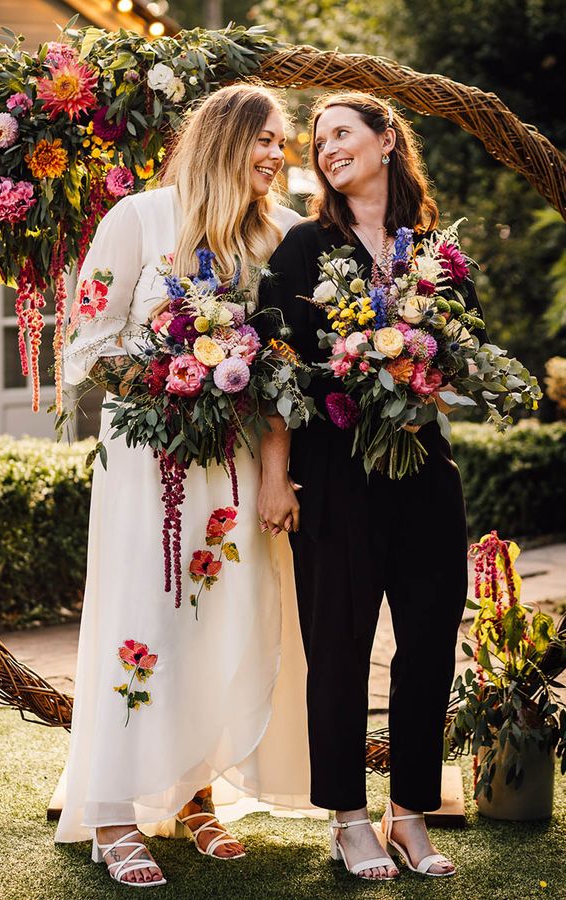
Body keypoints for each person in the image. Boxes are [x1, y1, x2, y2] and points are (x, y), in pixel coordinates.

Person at [56, 84, 311, 887]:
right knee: (144, 617)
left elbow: (287, 366)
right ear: (223, 137)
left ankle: (198, 797)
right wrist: (178, 378)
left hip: (233, 465)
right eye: (264, 139)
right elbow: (87, 341)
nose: (277, 155)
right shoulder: (137, 218)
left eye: (283, 143)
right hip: (149, 464)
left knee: (221, 624)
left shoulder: (283, 234)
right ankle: (111, 813)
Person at [258, 91, 487, 880]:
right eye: (319, 139)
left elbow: (468, 346)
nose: (326, 148)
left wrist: (429, 365)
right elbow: (272, 373)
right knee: (340, 650)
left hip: (425, 472)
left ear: (388, 140)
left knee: (427, 647)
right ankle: (349, 820)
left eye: (343, 133)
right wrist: (275, 475)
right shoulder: (298, 249)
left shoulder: (437, 247)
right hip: (334, 479)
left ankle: (410, 815)